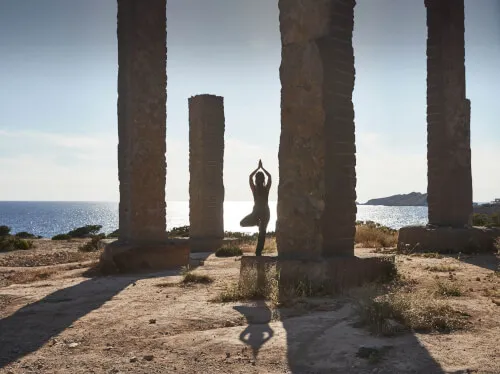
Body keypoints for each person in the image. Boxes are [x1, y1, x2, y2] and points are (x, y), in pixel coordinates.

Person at [240, 160, 271, 256]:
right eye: (258, 178)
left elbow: (269, 177)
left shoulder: (266, 189)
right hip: (256, 213)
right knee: (242, 223)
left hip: (265, 213)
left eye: (259, 178)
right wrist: (259, 168)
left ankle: (258, 252)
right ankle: (257, 222)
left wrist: (260, 168)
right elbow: (250, 177)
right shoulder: (255, 189)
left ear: (262, 180)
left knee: (262, 232)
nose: (258, 180)